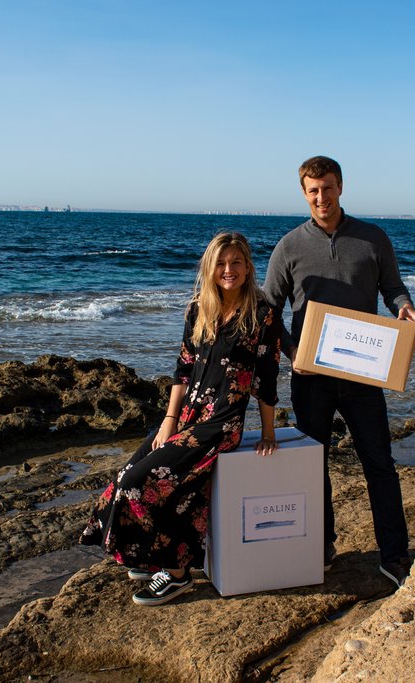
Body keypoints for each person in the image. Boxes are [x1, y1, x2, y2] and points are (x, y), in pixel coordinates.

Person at [80, 232, 281, 606]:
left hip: (220, 424)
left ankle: (176, 574)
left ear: (249, 266)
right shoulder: (198, 308)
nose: (228, 269)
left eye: (236, 261)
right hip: (186, 416)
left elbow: (267, 377)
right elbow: (183, 369)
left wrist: (268, 432)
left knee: (141, 483)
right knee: (125, 475)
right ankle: (150, 555)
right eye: (221, 263)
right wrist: (168, 421)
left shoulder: (262, 313)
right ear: (210, 267)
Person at [262, 155, 415, 588]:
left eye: (327, 188)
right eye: (313, 190)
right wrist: (291, 350)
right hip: (310, 378)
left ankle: (395, 554)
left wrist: (405, 308)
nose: (321, 197)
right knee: (314, 466)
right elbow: (268, 310)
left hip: (363, 376)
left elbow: (392, 288)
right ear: (304, 193)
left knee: (379, 464)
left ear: (340, 187)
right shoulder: (289, 246)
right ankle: (322, 545)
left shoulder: (372, 239)